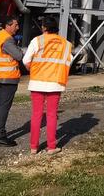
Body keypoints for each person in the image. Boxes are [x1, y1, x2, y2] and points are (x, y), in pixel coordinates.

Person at [22, 16, 73, 154]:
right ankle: (51, 147)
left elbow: (26, 60)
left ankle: (33, 147)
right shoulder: (66, 44)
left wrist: (33, 68)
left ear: (44, 27)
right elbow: (70, 61)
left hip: (37, 82)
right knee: (51, 115)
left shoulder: (37, 40)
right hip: (55, 83)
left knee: (37, 114)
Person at [0, 16, 23, 147]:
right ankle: (0, 136)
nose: (17, 27)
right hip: (8, 77)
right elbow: (19, 56)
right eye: (16, 25)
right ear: (8, 25)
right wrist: (20, 49)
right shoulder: (7, 39)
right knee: (3, 107)